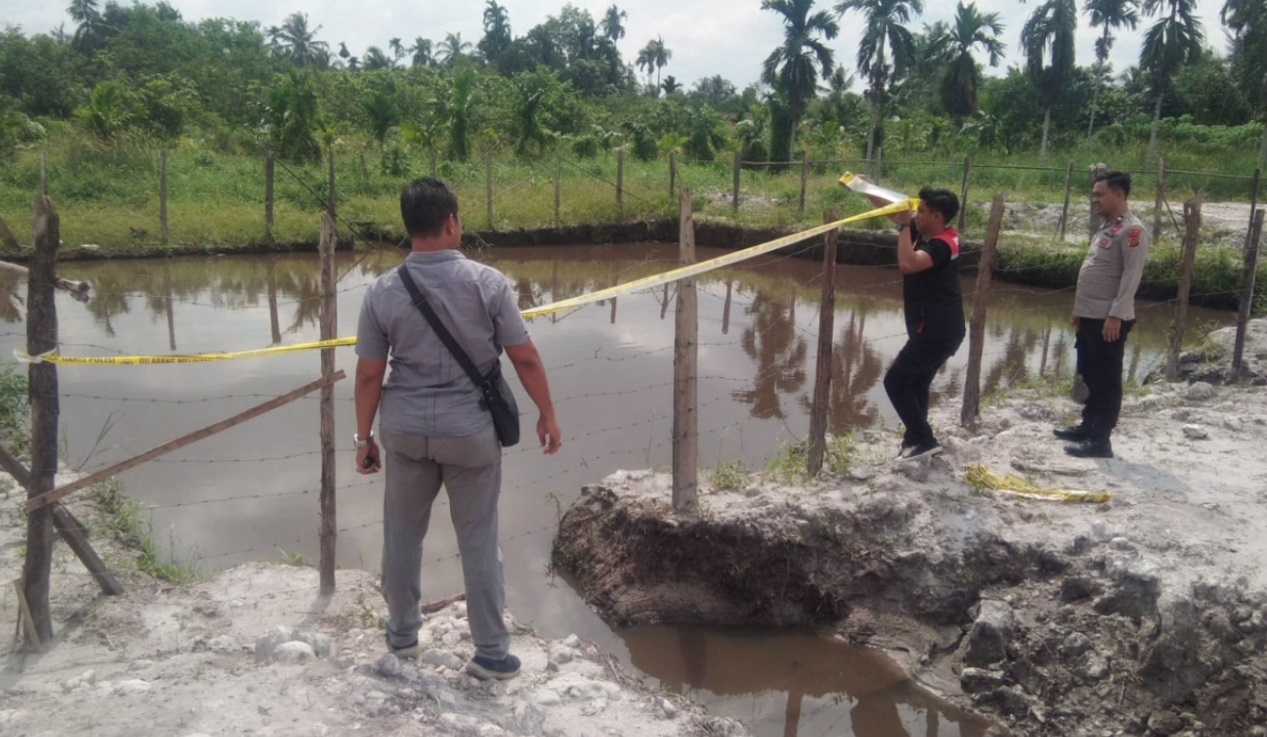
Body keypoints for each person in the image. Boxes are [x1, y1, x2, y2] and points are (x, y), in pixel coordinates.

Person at [353, 177, 562, 681]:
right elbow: (525, 357)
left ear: (408, 227)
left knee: (401, 537)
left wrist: (365, 438)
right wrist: (547, 414)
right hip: (470, 433)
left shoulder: (381, 292)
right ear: (451, 223)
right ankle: (491, 653)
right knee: (478, 539)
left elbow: (368, 373)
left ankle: (403, 636)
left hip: (403, 431)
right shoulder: (488, 283)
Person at [867, 186, 966, 461]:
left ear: (936, 216)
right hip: (943, 328)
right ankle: (914, 442)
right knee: (916, 385)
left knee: (895, 382)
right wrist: (862, 189)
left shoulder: (942, 245)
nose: (915, 216)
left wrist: (902, 229)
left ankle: (925, 440)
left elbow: (909, 264)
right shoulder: (933, 231)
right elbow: (894, 211)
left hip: (935, 330)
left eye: (920, 212)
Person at [1056, 171, 1150, 459]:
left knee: (1107, 380)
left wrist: (1117, 316)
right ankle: (1088, 426)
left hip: (1109, 319)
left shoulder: (1133, 231)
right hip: (1091, 315)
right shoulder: (1108, 227)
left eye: (1100, 194)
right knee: (1090, 373)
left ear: (1119, 194)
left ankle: (1100, 441)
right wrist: (1079, 310)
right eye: (1094, 194)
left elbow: (1131, 276)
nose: (1095, 199)